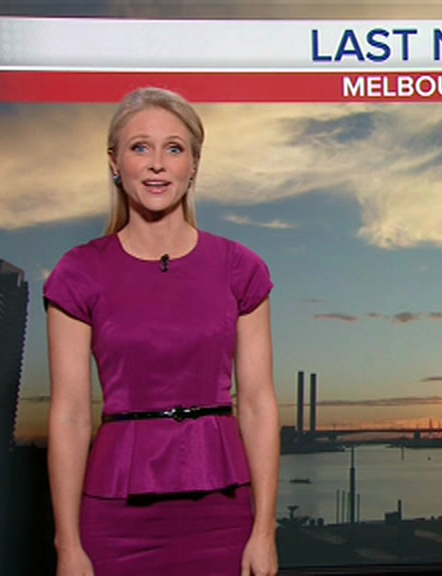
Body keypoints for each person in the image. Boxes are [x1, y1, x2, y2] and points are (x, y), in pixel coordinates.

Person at [44, 87, 279, 576]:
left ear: (193, 165)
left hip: (223, 515)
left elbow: (258, 404)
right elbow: (69, 415)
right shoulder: (79, 272)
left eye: (174, 148)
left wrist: (264, 531)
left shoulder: (240, 268)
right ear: (115, 162)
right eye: (140, 147)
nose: (156, 164)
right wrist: (68, 545)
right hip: (116, 518)